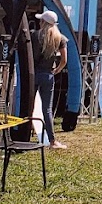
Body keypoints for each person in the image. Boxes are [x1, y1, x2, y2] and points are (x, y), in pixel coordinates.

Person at [33, 11, 69, 149]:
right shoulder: (60, 38)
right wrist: (57, 70)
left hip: (34, 74)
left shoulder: (35, 35)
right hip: (48, 75)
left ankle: (24, 134)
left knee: (29, 106)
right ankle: (52, 141)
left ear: (43, 22)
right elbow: (64, 60)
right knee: (46, 109)